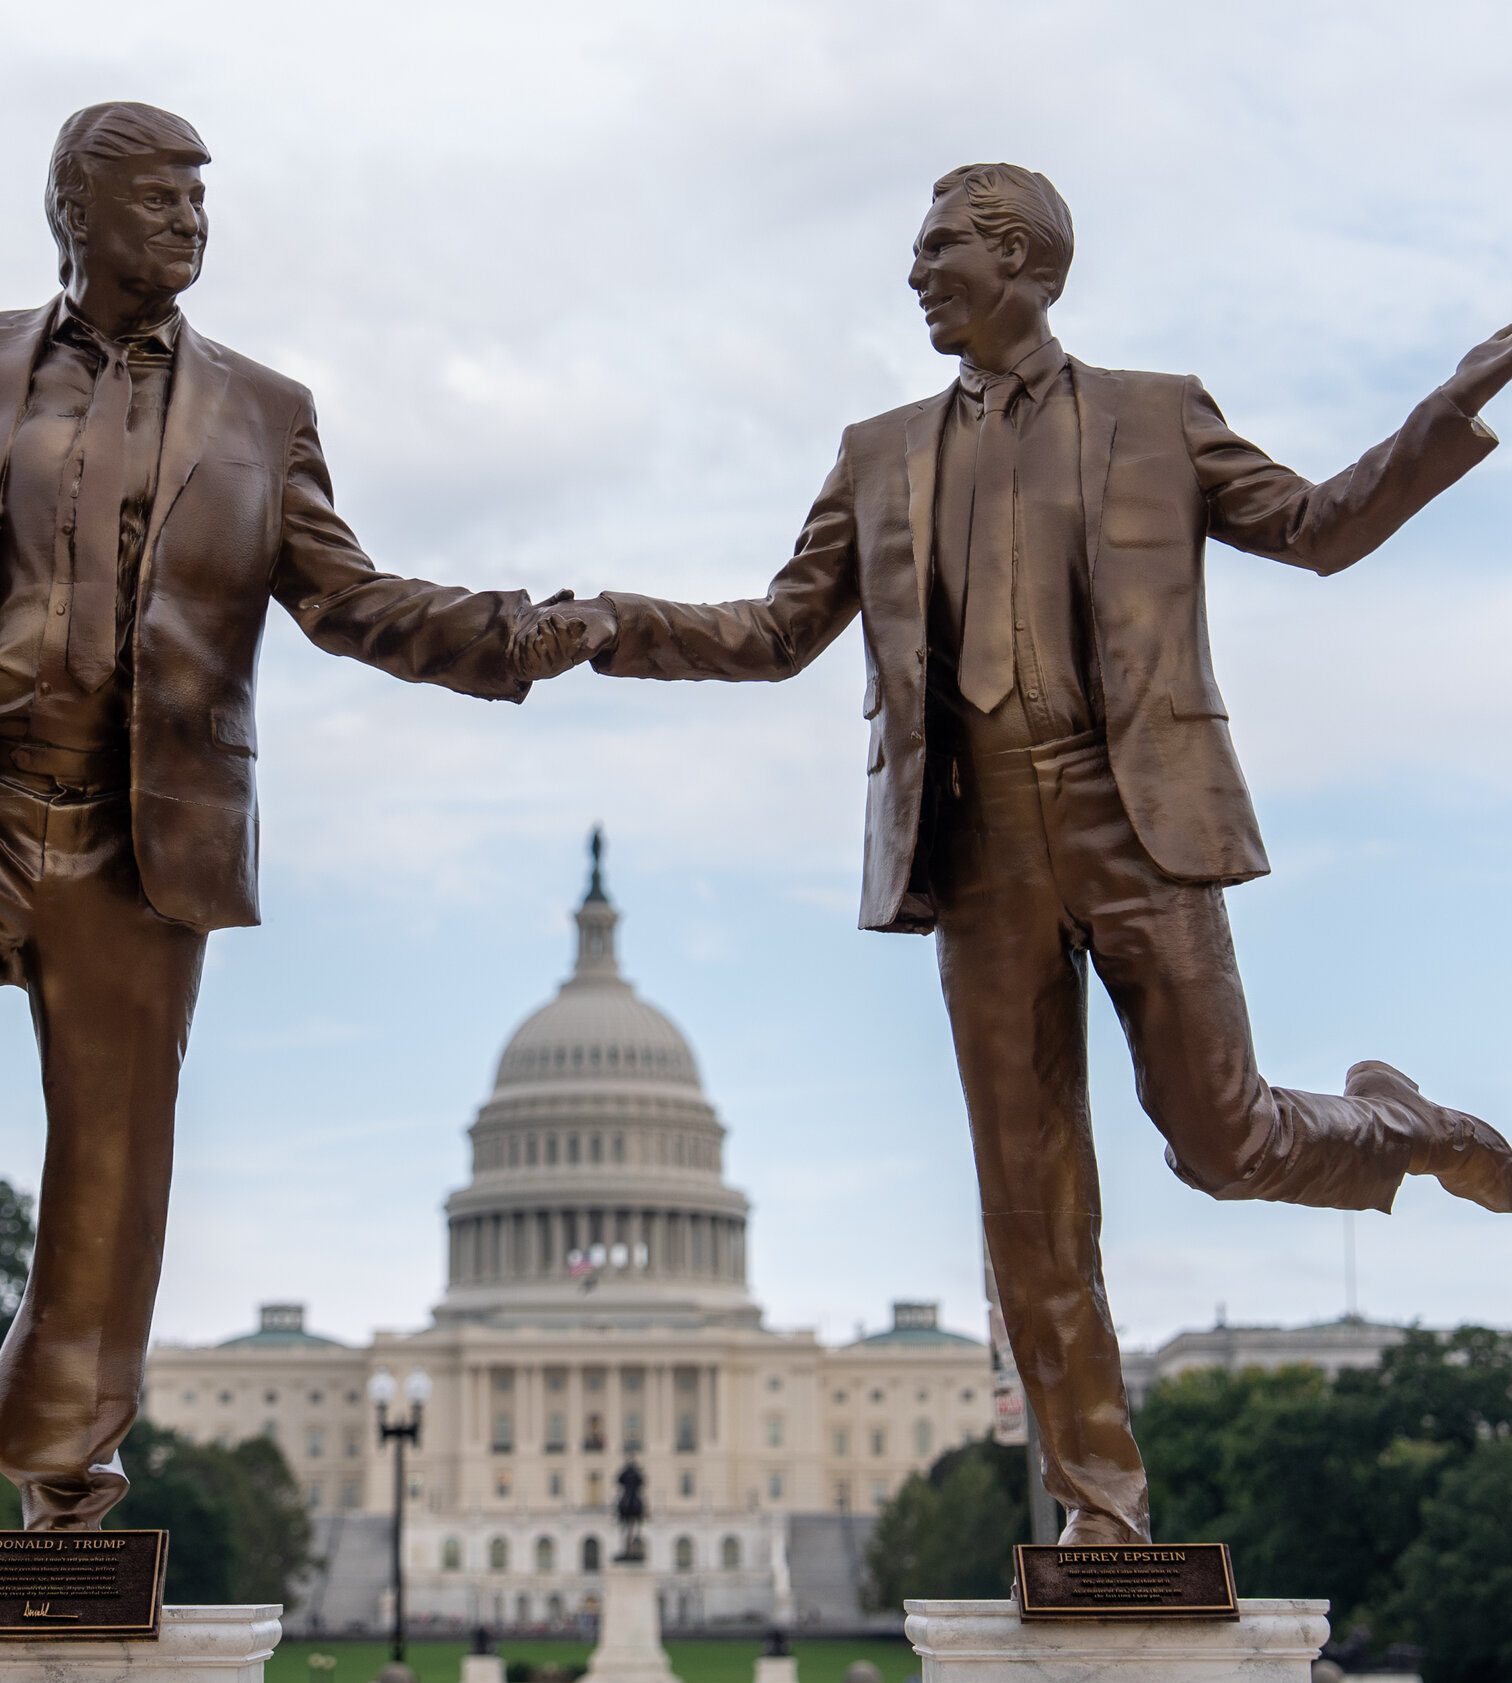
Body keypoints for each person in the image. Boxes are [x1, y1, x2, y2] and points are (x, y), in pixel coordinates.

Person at [516, 162, 1512, 1545]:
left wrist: (1442, 417)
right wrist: (609, 624)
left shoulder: (1157, 417)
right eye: (918, 254)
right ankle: (1103, 1510)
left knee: (1219, 1144)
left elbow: (1316, 529)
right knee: (1030, 1203)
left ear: (1027, 263)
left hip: (1136, 825)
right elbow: (772, 633)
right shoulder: (876, 454)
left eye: (941, 251)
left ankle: (1410, 1127)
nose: (917, 274)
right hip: (973, 851)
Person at [0, 103, 545, 1530]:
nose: (191, 224)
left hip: (137, 841)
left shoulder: (264, 412)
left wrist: (504, 634)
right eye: (162, 199)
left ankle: (63, 1470)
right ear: (76, 212)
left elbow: (348, 602)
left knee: (110, 1162)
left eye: (202, 202)